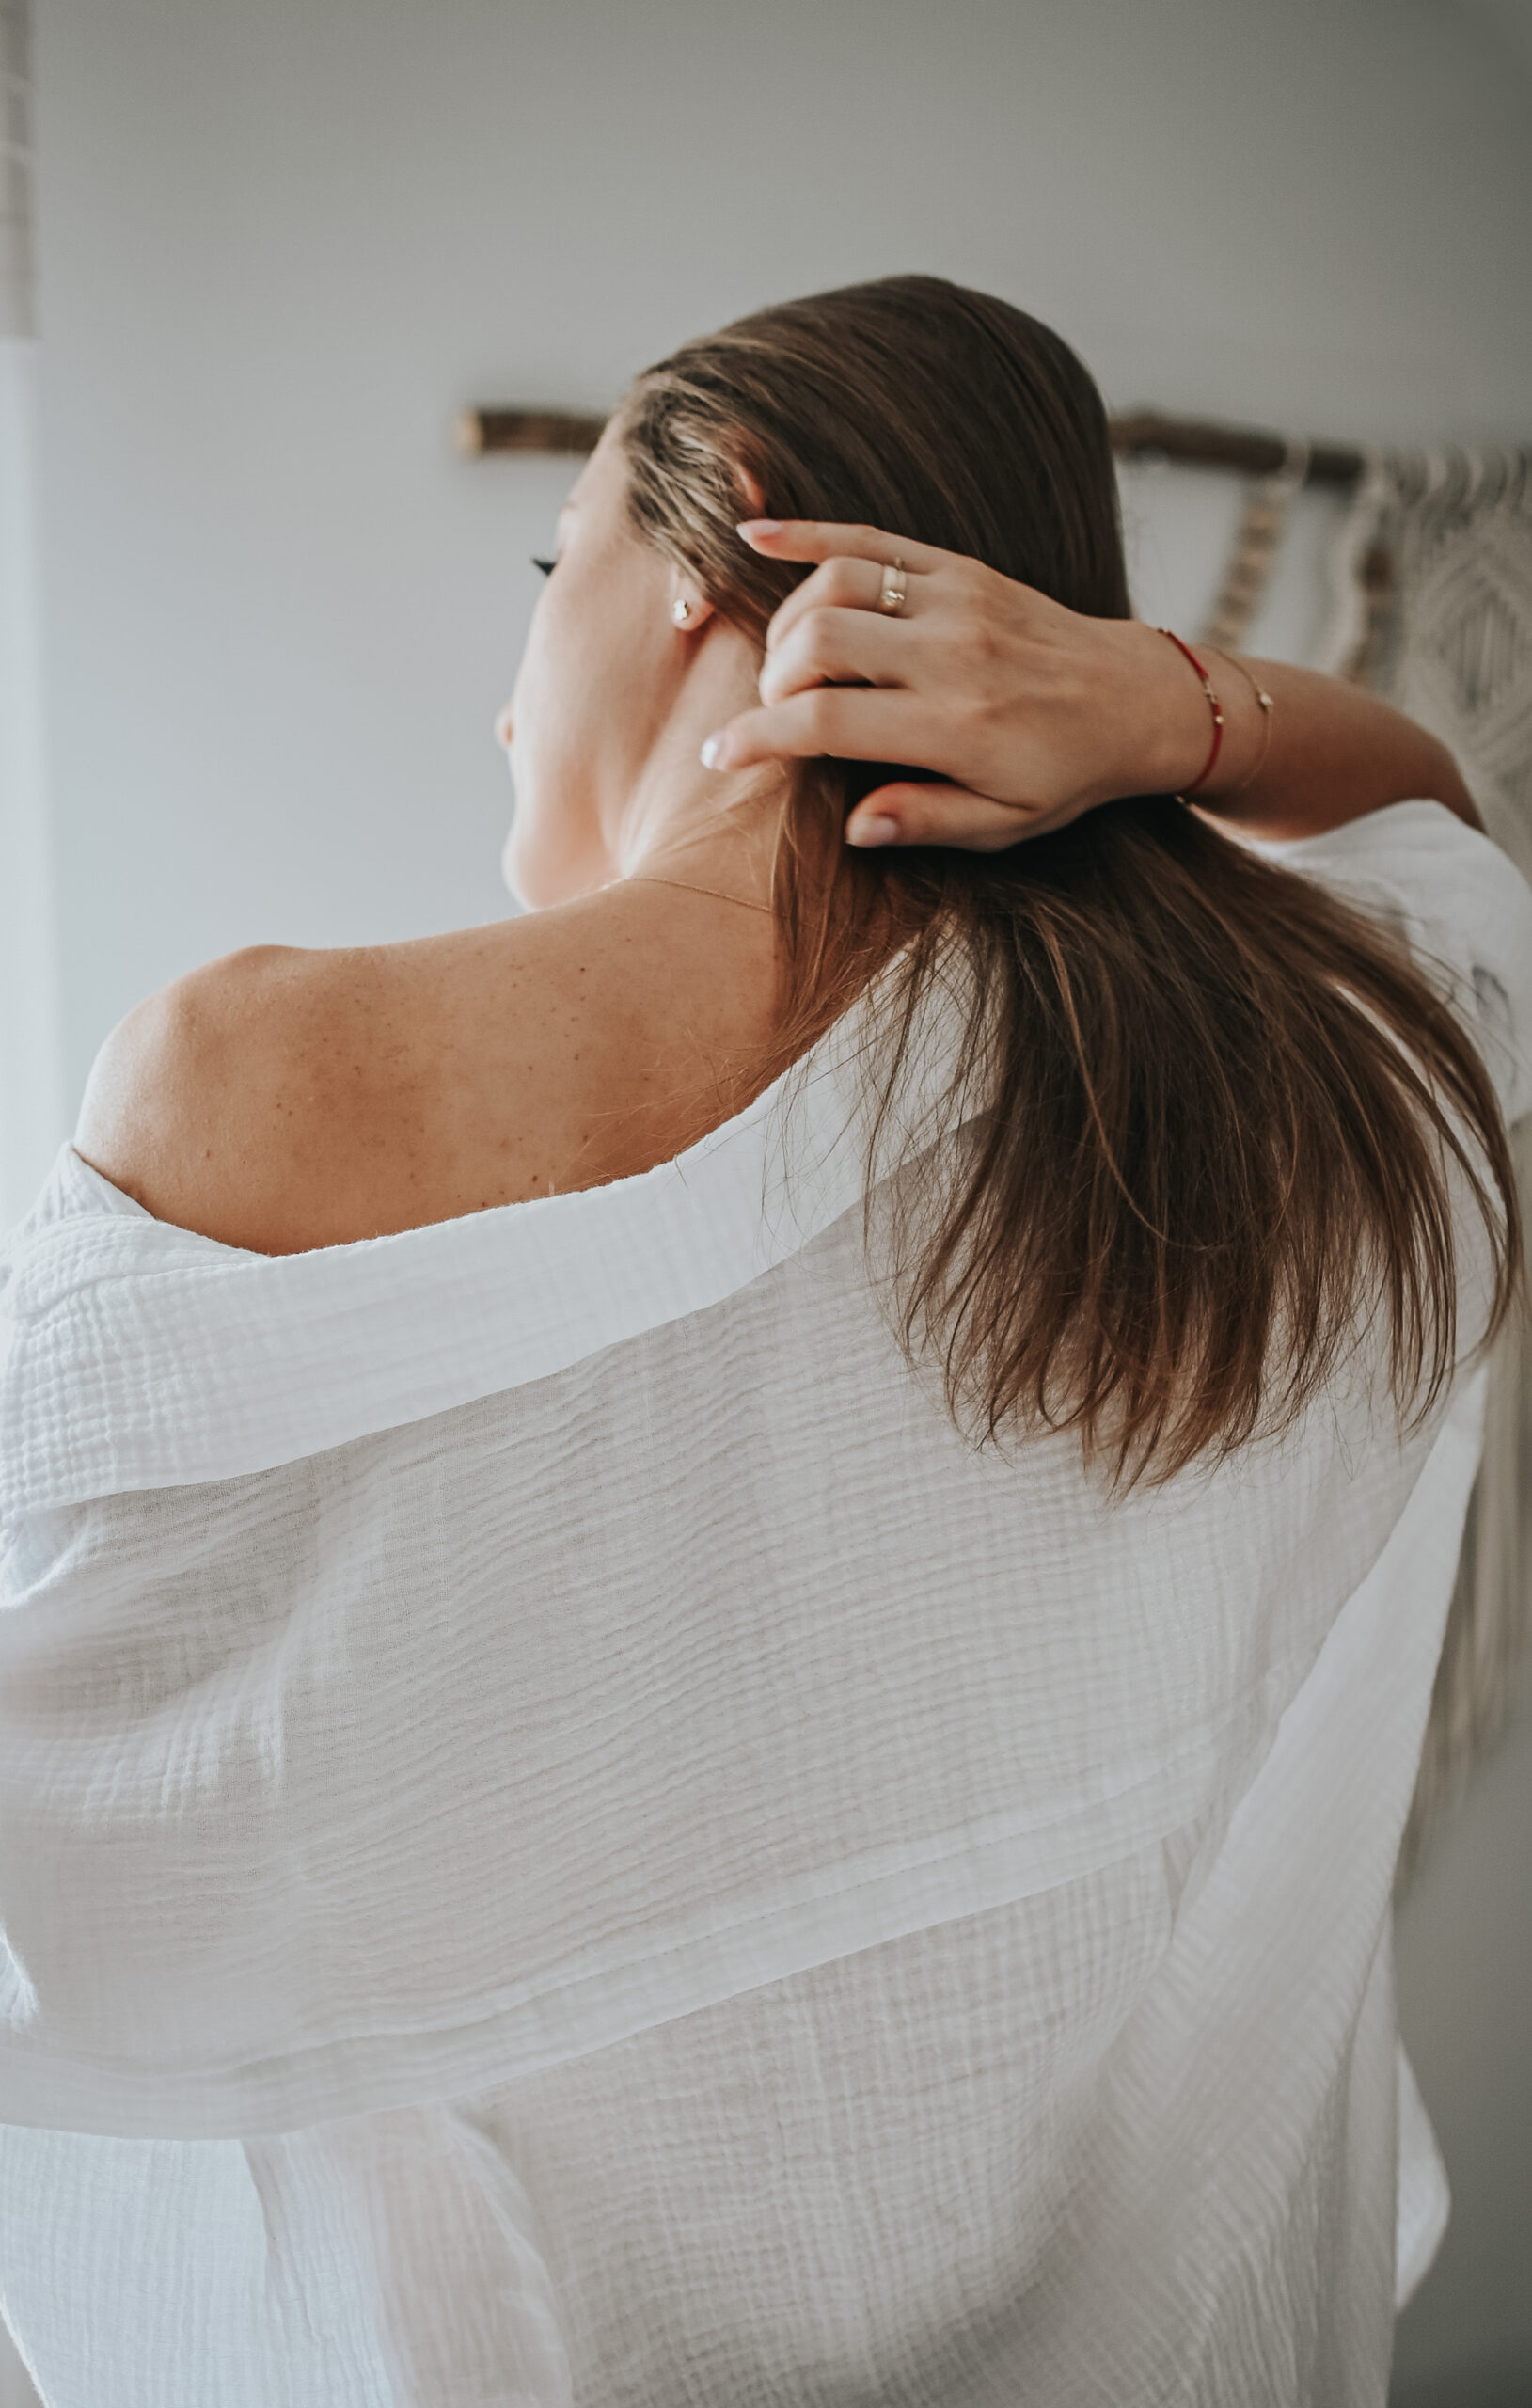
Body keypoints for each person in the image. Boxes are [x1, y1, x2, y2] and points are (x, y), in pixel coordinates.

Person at [0, 275, 1526, 2407]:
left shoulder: (252, 1076)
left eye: (553, 565)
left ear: (717, 522)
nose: (509, 702)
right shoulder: (1321, 1082)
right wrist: (1155, 705)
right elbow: (1435, 834)